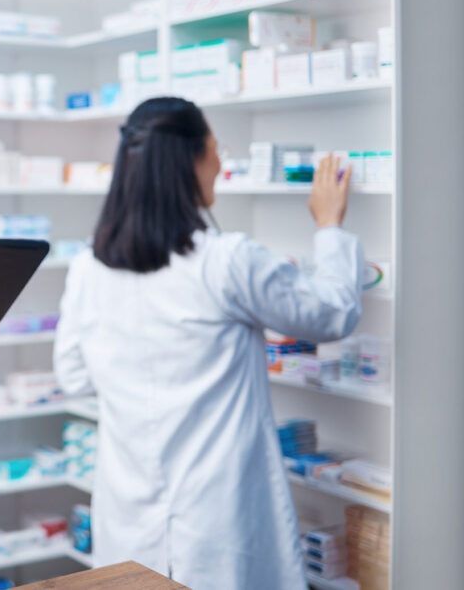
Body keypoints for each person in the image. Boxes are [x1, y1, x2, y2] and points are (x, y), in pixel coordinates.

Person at [53, 96, 362, 589]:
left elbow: (73, 375)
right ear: (192, 160)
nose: (221, 161)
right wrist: (329, 226)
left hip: (129, 513)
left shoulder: (90, 268)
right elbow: (332, 313)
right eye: (217, 148)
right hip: (219, 520)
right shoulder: (226, 260)